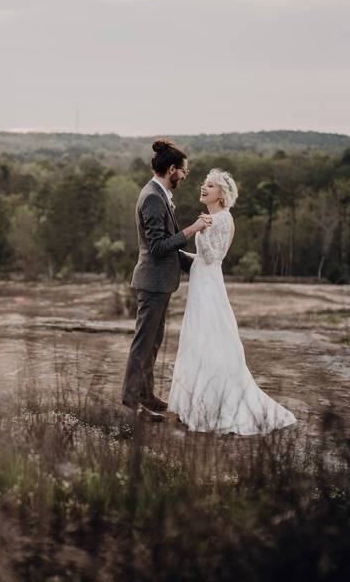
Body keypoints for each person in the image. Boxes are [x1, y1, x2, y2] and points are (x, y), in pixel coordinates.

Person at [167, 169, 297, 434]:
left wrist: (201, 234)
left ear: (222, 196)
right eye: (204, 183)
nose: (204, 188)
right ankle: (194, 403)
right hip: (202, 283)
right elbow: (203, 260)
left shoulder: (222, 219)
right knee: (197, 340)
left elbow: (214, 258)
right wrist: (180, 250)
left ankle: (213, 407)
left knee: (209, 340)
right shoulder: (212, 218)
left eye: (211, 186)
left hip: (209, 287)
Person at [122, 140, 212, 422]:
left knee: (153, 343)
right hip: (152, 283)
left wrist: (200, 265)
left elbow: (168, 250)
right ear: (171, 169)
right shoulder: (152, 197)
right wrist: (192, 229)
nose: (185, 176)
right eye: (183, 170)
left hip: (160, 283)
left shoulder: (159, 195)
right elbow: (159, 247)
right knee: (143, 344)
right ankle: (131, 402)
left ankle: (145, 395)